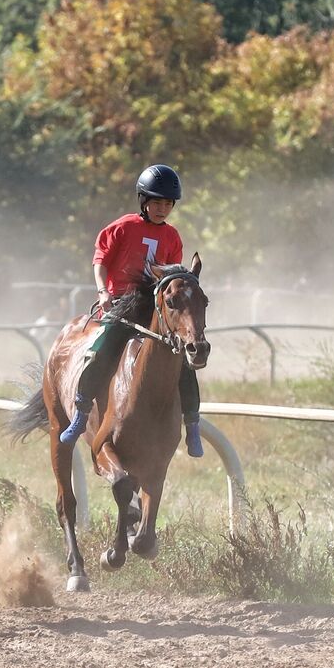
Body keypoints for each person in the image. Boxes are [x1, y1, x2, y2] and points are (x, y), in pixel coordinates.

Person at [57, 164, 203, 457]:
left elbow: (171, 278)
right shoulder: (122, 227)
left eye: (168, 204)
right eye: (157, 203)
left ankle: (192, 424)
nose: (162, 209)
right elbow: (100, 260)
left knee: (184, 360)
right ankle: (81, 413)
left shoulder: (173, 236)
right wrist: (103, 292)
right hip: (122, 303)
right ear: (143, 201)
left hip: (156, 307)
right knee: (102, 346)